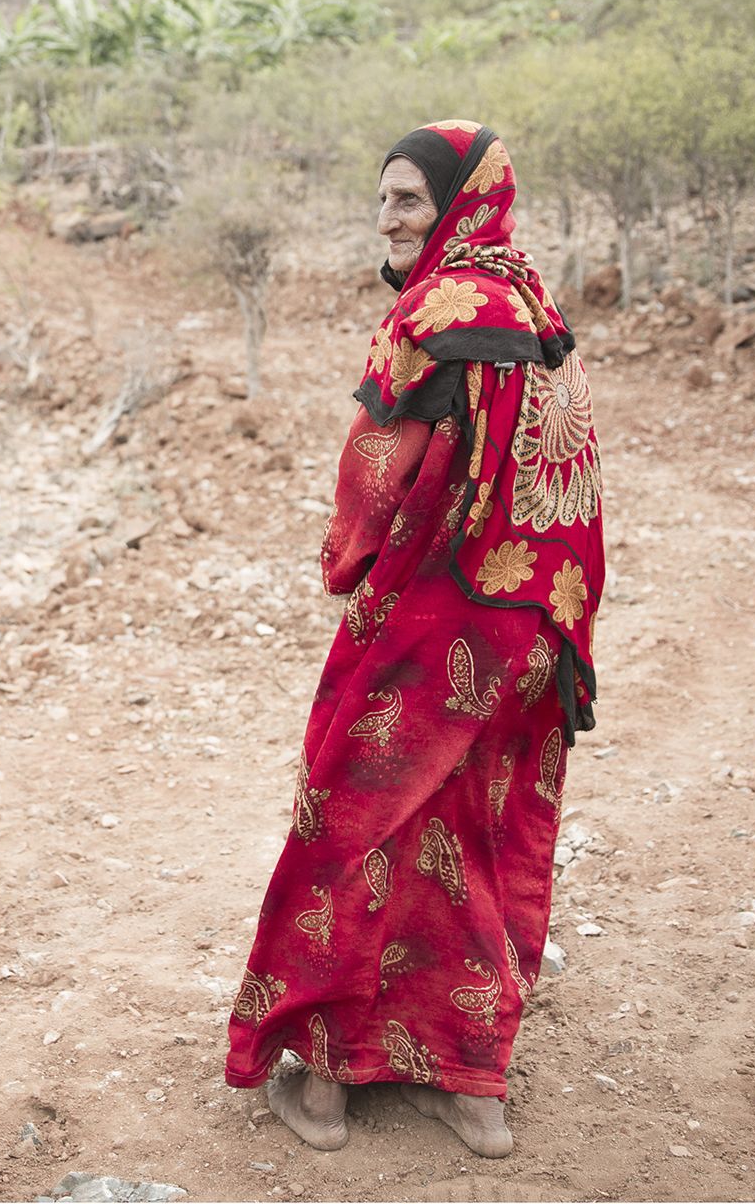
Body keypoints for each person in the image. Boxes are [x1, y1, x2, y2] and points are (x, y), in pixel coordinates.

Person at [224, 120, 605, 1160]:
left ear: (458, 203)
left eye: (407, 199)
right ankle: (470, 1089)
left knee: (353, 829)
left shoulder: (432, 312)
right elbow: (573, 478)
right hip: (532, 633)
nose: (388, 218)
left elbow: (375, 480)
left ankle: (325, 1086)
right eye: (383, 198)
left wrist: (346, 565)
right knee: (473, 836)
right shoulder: (536, 306)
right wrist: (557, 624)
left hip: (431, 628)